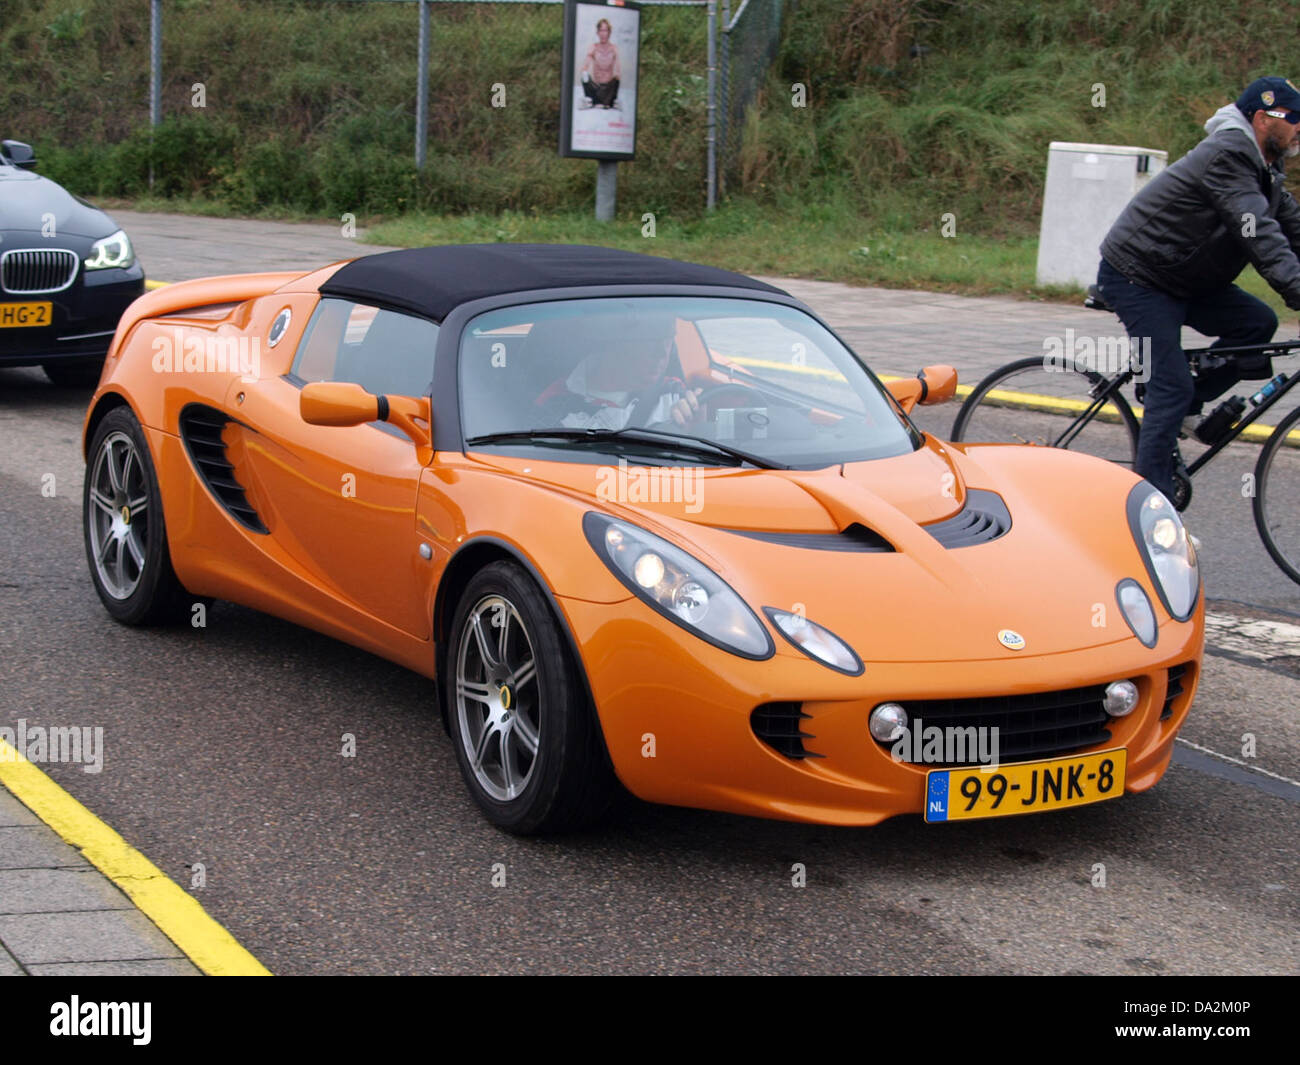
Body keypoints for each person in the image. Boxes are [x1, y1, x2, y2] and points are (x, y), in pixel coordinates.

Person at [1097, 75, 1300, 501]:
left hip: (1186, 277)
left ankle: (1188, 405)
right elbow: (1259, 233)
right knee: (1169, 388)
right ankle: (1150, 512)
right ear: (1263, 119)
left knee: (1256, 324)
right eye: (1295, 119)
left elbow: (1293, 229)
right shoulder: (1227, 156)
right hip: (1142, 275)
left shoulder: (1265, 167)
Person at [534, 317, 702, 431]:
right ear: (615, 345)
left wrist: (697, 423)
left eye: (668, 342)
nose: (661, 354)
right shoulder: (557, 401)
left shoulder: (673, 391)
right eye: (649, 342)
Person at [579, 18, 621, 109]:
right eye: (601, 30)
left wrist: (617, 74)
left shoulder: (614, 49)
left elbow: (617, 69)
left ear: (609, 32)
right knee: (584, 76)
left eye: (605, 30)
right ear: (597, 32)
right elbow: (585, 65)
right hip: (596, 87)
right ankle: (592, 100)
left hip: (608, 87)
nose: (603, 34)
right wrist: (584, 71)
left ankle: (609, 102)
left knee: (616, 80)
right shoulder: (593, 47)